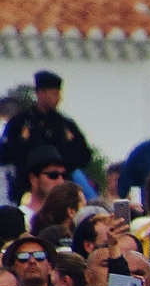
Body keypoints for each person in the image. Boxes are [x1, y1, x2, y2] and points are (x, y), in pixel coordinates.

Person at [0, 72, 91, 201]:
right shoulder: (20, 122)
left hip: (60, 191)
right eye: (54, 93)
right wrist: (23, 143)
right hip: (26, 189)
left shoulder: (64, 124)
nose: (58, 98)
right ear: (41, 93)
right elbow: (5, 155)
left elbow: (84, 156)